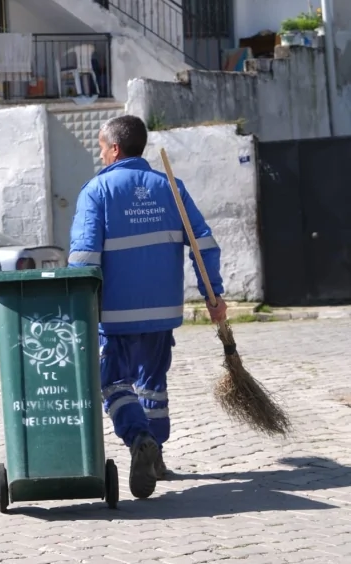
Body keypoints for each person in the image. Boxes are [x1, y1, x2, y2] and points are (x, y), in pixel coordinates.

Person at [68, 115, 227, 500]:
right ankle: (157, 456)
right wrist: (214, 296)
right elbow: (203, 243)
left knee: (113, 383)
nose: (101, 155)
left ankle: (139, 437)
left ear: (115, 149)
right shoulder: (171, 187)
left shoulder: (97, 191)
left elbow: (84, 258)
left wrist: (77, 307)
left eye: (102, 148)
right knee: (152, 385)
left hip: (115, 315)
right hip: (162, 312)